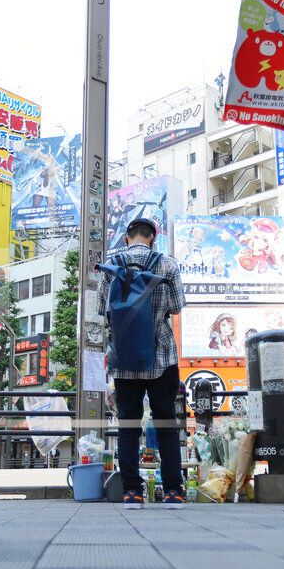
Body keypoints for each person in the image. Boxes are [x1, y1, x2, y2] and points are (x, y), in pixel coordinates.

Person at [97, 217, 186, 510]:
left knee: (128, 425)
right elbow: (176, 307)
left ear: (127, 238)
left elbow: (103, 311)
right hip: (162, 356)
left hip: (125, 359)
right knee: (166, 424)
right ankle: (173, 492)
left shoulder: (111, 265)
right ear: (152, 238)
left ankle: (132, 493)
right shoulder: (168, 265)